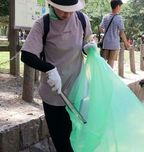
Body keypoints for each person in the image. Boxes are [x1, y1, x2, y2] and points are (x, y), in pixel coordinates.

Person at [20, 0, 92, 152]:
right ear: (52, 5)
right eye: (63, 10)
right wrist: (49, 69)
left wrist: (88, 49)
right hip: (53, 93)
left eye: (71, 10)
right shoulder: (42, 24)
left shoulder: (81, 19)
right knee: (62, 141)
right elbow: (26, 55)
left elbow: (86, 42)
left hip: (77, 91)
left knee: (79, 137)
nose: (68, 14)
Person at [99, 0, 130, 68]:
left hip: (106, 43)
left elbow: (100, 28)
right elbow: (122, 33)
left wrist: (106, 32)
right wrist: (126, 43)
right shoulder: (119, 18)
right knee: (110, 64)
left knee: (103, 64)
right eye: (120, 6)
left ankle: (102, 77)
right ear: (118, 6)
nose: (120, 8)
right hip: (114, 44)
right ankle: (108, 78)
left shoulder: (105, 17)